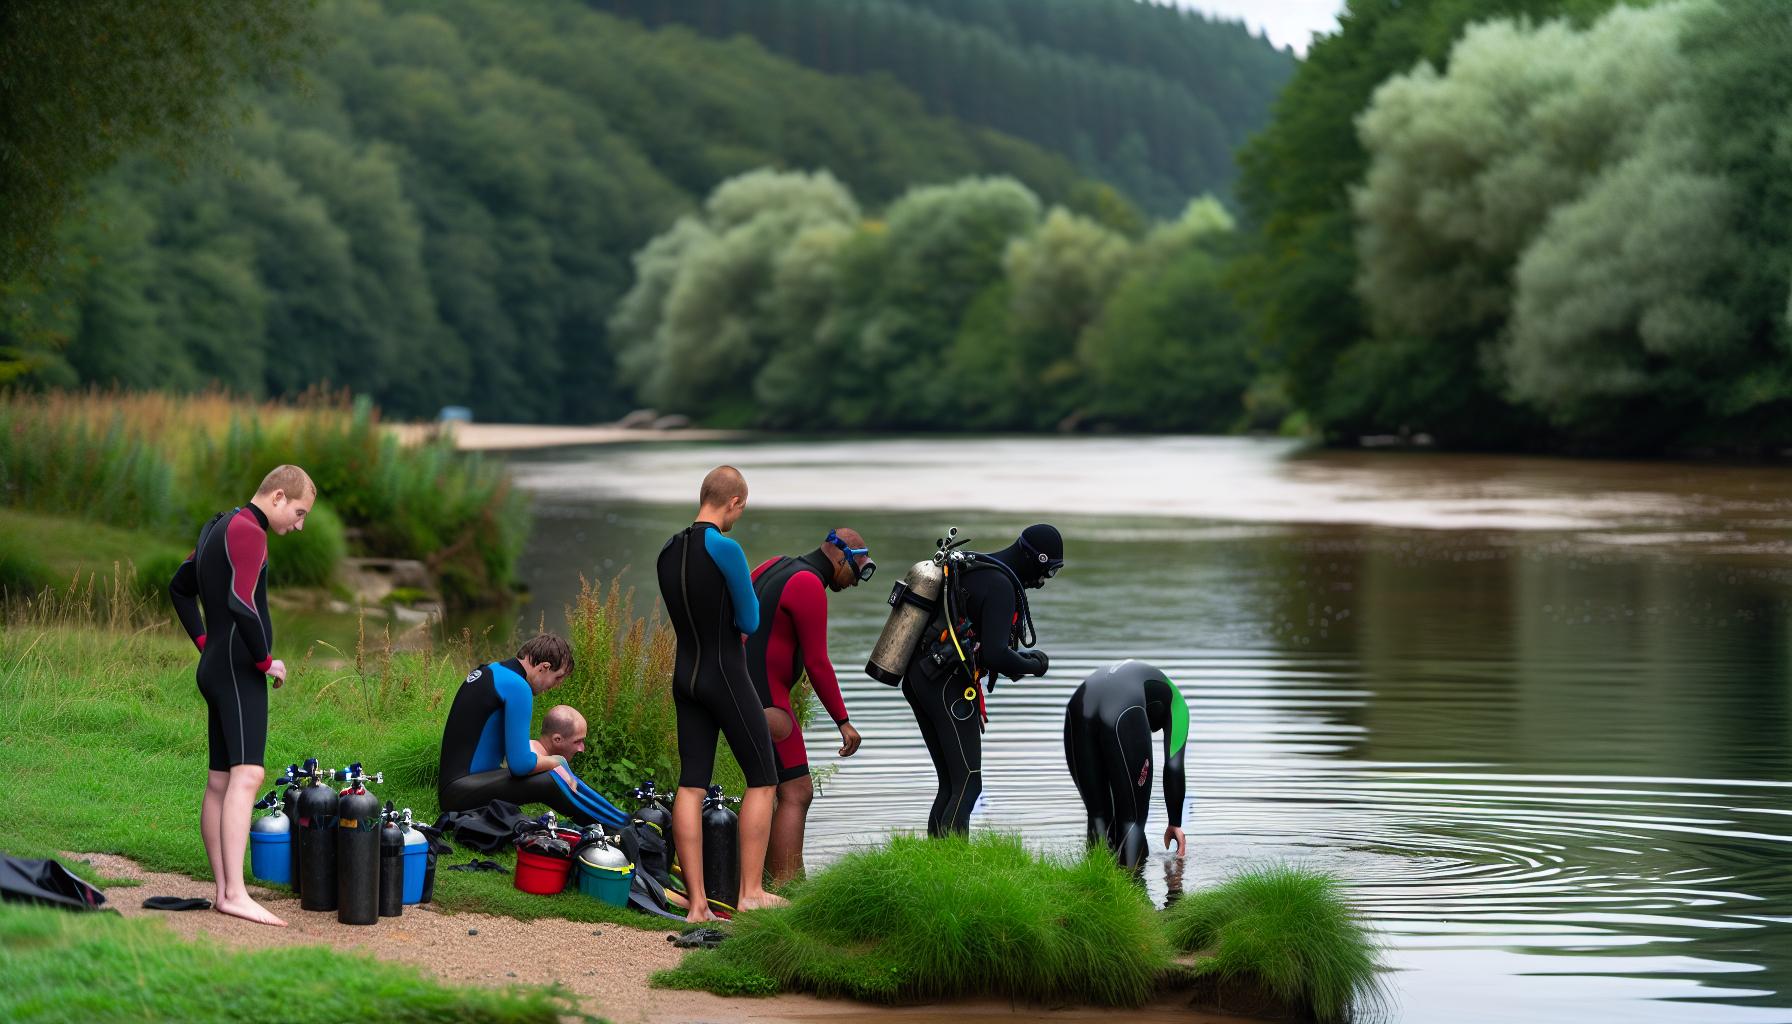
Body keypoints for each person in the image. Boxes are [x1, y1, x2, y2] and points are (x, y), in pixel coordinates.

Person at [169, 464, 316, 927]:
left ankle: (223, 890)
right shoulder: (250, 532)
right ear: (276, 497)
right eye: (298, 511)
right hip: (236, 671)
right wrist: (263, 660)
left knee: (220, 781)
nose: (300, 523)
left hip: (217, 666)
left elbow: (179, 588)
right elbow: (241, 601)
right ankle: (234, 892)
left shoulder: (219, 526)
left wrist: (203, 645)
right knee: (247, 775)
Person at [655, 465, 784, 920]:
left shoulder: (668, 552)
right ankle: (750, 892)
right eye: (740, 509)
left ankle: (697, 904)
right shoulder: (725, 548)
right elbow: (748, 621)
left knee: (690, 785)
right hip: (724, 673)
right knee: (763, 779)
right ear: (734, 503)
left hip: (684, 676)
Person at [902, 523, 1062, 837]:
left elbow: (988, 651)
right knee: (969, 783)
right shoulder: (1000, 584)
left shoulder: (973, 567)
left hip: (919, 677)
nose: (1043, 582)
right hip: (947, 685)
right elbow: (997, 655)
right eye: (1047, 572)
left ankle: (935, 865)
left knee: (951, 783)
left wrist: (1016, 663)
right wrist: (1035, 665)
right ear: (1035, 559)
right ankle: (955, 871)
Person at [746, 528, 871, 883]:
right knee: (797, 791)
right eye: (856, 570)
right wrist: (843, 721)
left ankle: (760, 881)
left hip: (741, 693)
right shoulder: (808, 585)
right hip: (770, 704)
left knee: (765, 787)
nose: (854, 582)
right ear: (838, 555)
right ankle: (788, 885)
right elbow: (818, 663)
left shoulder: (772, 566)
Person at [437, 634, 626, 828]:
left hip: (458, 787)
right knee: (549, 778)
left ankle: (621, 820)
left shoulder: (494, 671)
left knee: (550, 771)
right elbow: (520, 765)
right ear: (543, 667)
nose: (556, 685)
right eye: (558, 677)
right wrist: (558, 761)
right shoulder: (518, 687)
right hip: (459, 794)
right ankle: (618, 825)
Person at [1063, 660, 1188, 870]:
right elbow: (1174, 765)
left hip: (1078, 705)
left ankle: (1094, 887)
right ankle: (1134, 895)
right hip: (1123, 709)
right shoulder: (1178, 704)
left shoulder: (1145, 682)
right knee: (1132, 821)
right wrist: (1175, 822)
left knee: (1098, 816)